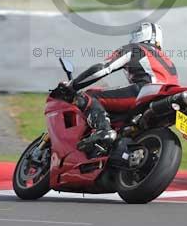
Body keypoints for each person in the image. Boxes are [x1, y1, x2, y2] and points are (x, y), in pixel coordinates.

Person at [72, 22, 179, 155]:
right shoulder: (168, 60)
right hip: (168, 99)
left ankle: (103, 130)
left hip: (147, 91)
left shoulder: (135, 48)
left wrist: (74, 84)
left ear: (139, 34)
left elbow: (103, 68)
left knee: (89, 95)